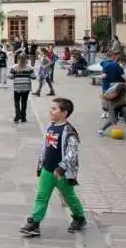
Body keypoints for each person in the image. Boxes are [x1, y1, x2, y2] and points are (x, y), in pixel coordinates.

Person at [20, 98, 86, 237]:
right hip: (47, 170)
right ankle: (35, 223)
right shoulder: (50, 127)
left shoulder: (69, 131)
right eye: (50, 108)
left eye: (54, 109)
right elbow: (45, 147)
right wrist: (40, 164)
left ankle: (80, 217)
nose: (50, 111)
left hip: (62, 173)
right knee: (42, 196)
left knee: (69, 197)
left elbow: (72, 153)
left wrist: (62, 168)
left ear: (64, 113)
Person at [10, 53, 37, 123]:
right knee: (24, 102)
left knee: (17, 102)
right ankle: (23, 117)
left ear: (18, 59)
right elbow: (34, 77)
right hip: (26, 87)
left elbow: (10, 76)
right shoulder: (29, 68)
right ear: (26, 59)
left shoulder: (14, 67)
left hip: (17, 87)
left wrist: (16, 75)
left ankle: (17, 115)